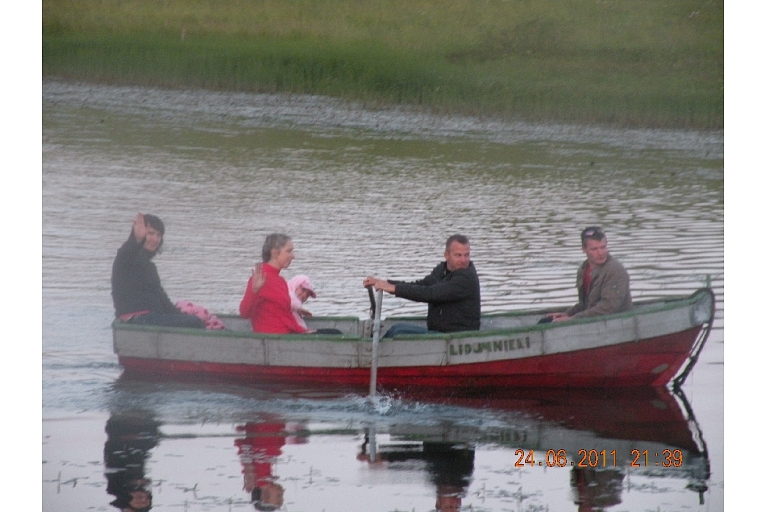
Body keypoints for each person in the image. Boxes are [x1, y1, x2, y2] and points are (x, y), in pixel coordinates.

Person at [363, 234, 481, 337]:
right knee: (397, 328)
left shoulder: (466, 278)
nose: (464, 260)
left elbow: (431, 294)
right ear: (446, 255)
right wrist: (387, 283)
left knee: (399, 333)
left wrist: (395, 289)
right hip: (439, 333)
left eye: (466, 255)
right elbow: (421, 285)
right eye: (458, 255)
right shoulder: (441, 270)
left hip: (456, 337)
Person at [111, 213, 205, 329]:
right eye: (150, 234)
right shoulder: (126, 259)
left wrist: (182, 316)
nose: (155, 239)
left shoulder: (149, 266)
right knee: (194, 322)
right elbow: (127, 252)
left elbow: (163, 300)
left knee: (197, 319)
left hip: (152, 317)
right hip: (136, 320)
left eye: (158, 235)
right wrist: (135, 239)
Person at [546, 226, 632, 323]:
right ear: (584, 249)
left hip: (616, 322)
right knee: (545, 321)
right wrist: (568, 313)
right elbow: (585, 304)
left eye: (603, 247)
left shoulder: (615, 270)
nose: (601, 253)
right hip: (593, 321)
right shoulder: (583, 269)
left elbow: (608, 307)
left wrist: (573, 319)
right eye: (594, 249)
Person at [240, 234, 309, 334]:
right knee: (334, 333)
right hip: (274, 336)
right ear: (275, 253)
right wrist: (254, 291)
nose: (293, 256)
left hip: (288, 334)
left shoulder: (281, 281)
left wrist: (302, 329)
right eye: (289, 251)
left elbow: (281, 313)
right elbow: (245, 313)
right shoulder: (259, 279)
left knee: (333, 332)